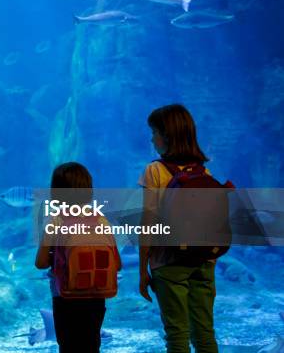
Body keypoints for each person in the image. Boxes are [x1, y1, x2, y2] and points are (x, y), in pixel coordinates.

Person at [138, 104, 218, 353]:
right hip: (204, 261)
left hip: (168, 263)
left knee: (177, 334)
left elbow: (148, 223)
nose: (152, 138)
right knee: (204, 332)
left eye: (154, 132)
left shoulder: (155, 171)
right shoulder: (204, 171)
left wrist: (143, 268)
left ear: (167, 136)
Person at [36, 162, 120, 353]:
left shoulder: (56, 220)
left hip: (65, 297)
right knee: (92, 344)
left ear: (56, 193)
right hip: (97, 295)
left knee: (69, 346)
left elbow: (40, 263)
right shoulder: (101, 219)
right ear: (89, 190)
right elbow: (118, 263)